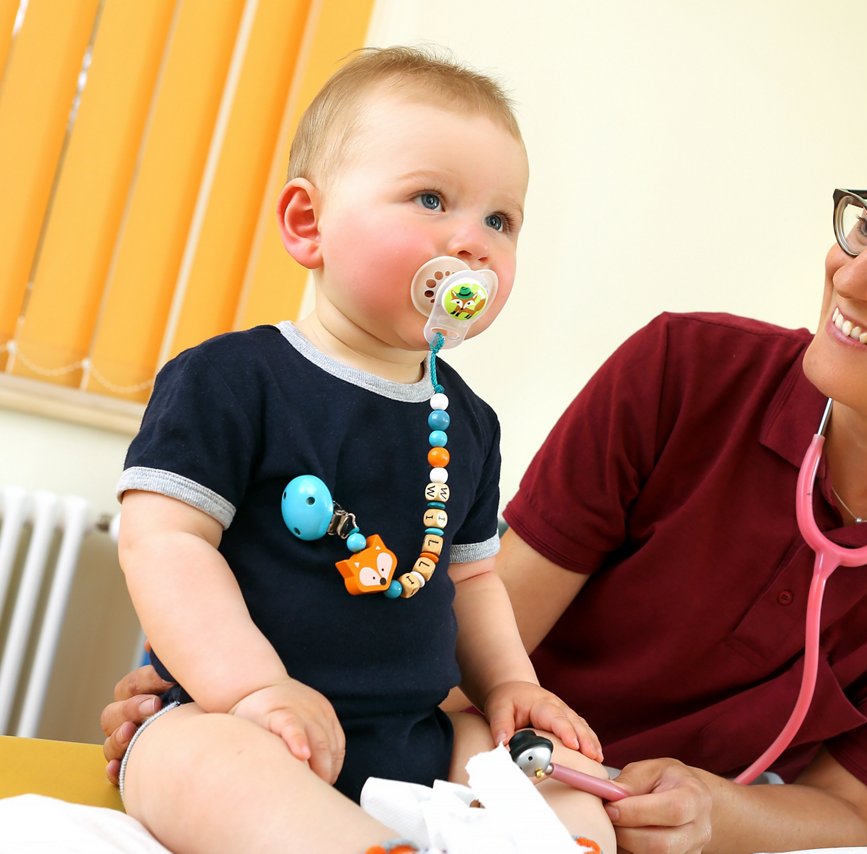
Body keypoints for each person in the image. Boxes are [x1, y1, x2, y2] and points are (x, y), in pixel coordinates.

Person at [105, 78, 867, 853]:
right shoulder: (684, 369)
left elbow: (846, 807)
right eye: (865, 223)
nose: (852, 274)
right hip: (461, 743)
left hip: (557, 801)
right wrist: (237, 681)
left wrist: (712, 807)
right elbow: (462, 622)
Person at [111, 46, 615, 854]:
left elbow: (474, 578)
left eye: (501, 219)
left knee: (542, 774)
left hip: (419, 737)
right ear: (309, 224)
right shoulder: (233, 378)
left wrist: (512, 684)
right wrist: (253, 691)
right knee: (202, 764)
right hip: (239, 721)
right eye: (430, 198)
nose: (474, 241)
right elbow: (163, 541)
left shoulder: (469, 424)